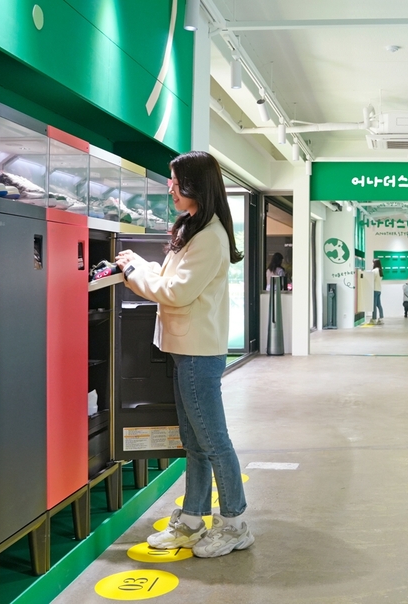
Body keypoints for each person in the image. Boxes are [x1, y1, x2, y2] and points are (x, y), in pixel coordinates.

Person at [115, 150, 254, 558]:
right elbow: (174, 278)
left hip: (197, 354)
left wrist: (132, 274)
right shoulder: (195, 227)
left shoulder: (210, 235)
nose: (170, 187)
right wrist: (141, 263)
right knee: (194, 443)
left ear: (196, 184)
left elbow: (177, 292)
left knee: (213, 441)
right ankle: (193, 519)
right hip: (184, 349)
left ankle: (234, 523)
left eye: (175, 180)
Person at [370, 258, 384, 325]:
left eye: (373, 262)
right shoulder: (380, 271)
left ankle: (374, 318)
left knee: (374, 305)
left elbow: (371, 279)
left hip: (374, 289)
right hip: (379, 290)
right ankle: (381, 318)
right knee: (379, 305)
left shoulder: (374, 271)